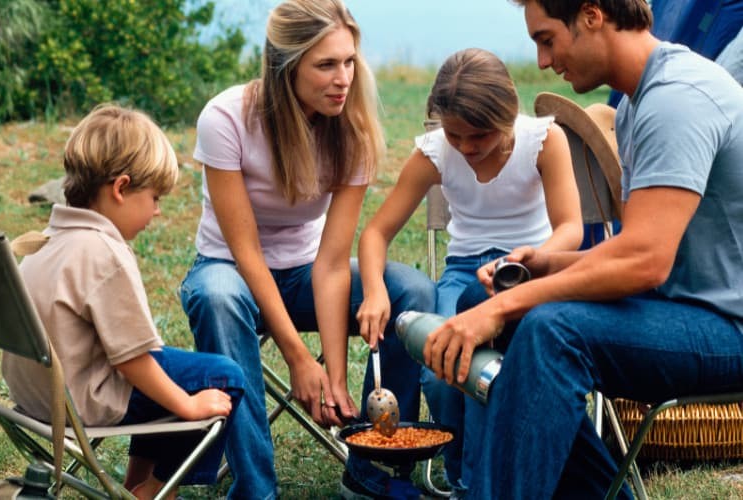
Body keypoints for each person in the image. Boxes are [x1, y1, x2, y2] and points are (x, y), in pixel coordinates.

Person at [422, 0, 743, 498]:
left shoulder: (678, 98)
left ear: (592, 15)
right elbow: (645, 248)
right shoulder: (640, 100)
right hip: (684, 306)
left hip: (727, 326)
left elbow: (646, 263)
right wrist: (548, 263)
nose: (545, 61)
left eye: (547, 39)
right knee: (477, 303)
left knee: (553, 332)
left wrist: (513, 301)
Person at [178, 0, 435, 497]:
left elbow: (334, 262)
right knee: (218, 297)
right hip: (228, 268)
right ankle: (256, 488)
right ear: (286, 67)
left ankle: (373, 469)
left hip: (305, 272)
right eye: (326, 65)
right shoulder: (226, 118)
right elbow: (245, 250)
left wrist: (334, 376)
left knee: (412, 291)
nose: (344, 78)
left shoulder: (353, 132)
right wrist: (299, 358)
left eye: (349, 61)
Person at [357, 47, 582, 496]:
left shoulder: (543, 140)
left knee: (496, 370)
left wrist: (525, 261)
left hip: (531, 268)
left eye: (478, 135)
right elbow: (375, 233)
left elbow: (571, 229)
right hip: (464, 272)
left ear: (508, 112)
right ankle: (463, 475)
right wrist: (374, 290)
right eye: (455, 135)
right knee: (441, 370)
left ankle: (490, 478)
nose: (466, 148)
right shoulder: (437, 152)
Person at [1, 104, 246, 500]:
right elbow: (131, 360)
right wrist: (186, 404)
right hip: (84, 399)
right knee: (222, 378)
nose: (157, 210)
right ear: (121, 188)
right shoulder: (104, 252)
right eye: (154, 197)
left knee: (170, 368)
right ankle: (156, 489)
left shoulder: (45, 241)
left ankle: (137, 481)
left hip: (36, 395)